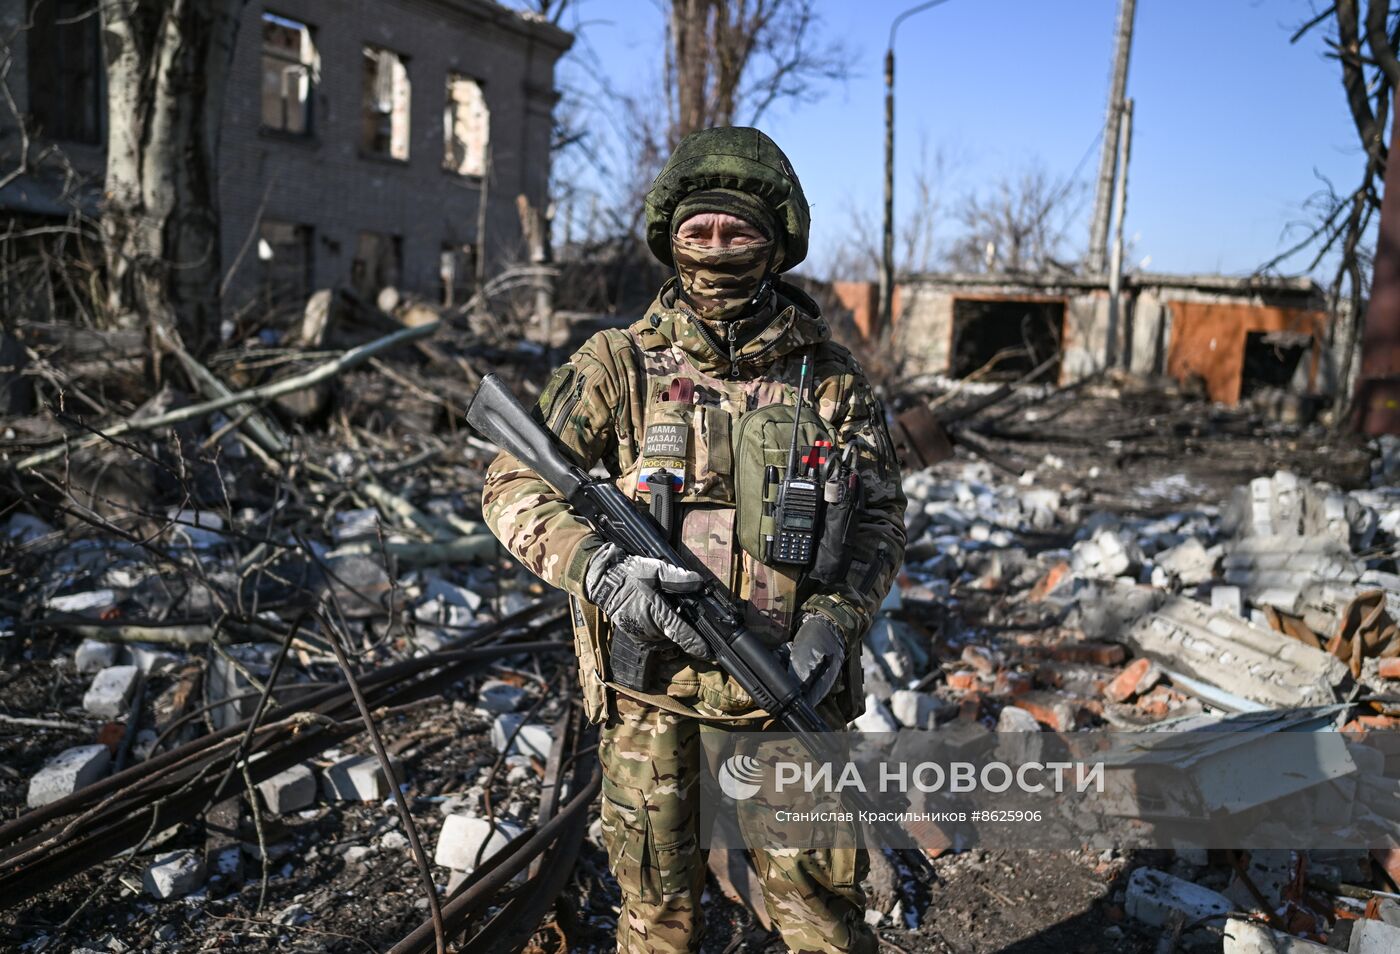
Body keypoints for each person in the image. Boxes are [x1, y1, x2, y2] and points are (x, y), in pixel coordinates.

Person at [482, 125, 906, 954]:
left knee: (823, 919)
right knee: (657, 922)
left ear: (776, 241)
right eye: (698, 230)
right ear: (670, 239)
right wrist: (601, 572)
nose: (716, 248)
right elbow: (510, 483)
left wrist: (836, 620)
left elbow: (882, 519)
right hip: (651, 701)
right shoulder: (618, 365)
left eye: (738, 230)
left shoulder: (830, 380)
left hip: (789, 690)